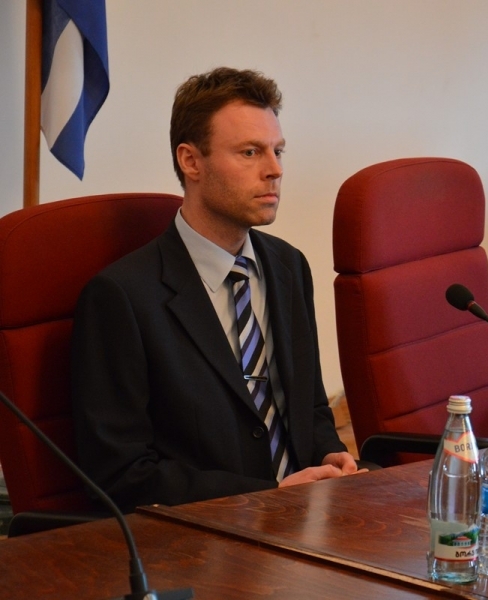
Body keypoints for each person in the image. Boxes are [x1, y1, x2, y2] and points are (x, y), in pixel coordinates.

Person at [71, 67, 360, 512]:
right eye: (250, 152)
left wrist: (328, 454)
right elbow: (120, 474)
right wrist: (266, 498)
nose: (275, 170)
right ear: (191, 161)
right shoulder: (121, 297)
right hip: (210, 532)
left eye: (278, 151)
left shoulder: (289, 266)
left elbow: (311, 409)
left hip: (306, 514)